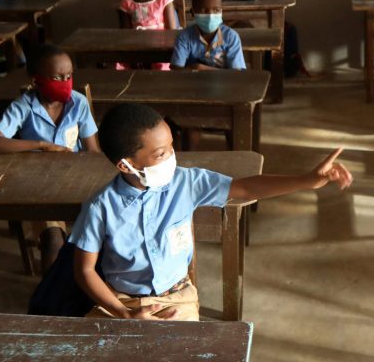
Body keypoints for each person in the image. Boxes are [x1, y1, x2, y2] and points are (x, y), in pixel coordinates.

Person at [70, 103, 353, 320]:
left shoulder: (185, 182)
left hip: (176, 299)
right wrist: (124, 313)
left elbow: (245, 189)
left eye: (170, 147)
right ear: (125, 165)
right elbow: (84, 270)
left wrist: (307, 181)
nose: (171, 157)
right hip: (120, 301)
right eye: (159, 154)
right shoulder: (100, 207)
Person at [0, 44, 99, 271]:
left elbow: (93, 152)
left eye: (68, 76)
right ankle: (51, 299)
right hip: (40, 186)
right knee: (53, 241)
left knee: (101, 233)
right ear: (35, 80)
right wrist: (42, 145)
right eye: (57, 77)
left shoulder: (78, 103)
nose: (65, 83)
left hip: (75, 180)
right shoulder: (24, 106)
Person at [118, 0, 179, 71]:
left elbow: (171, 31)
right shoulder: (127, 3)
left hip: (161, 49)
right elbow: (124, 34)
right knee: (122, 67)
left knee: (161, 68)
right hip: (135, 48)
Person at [170, 0, 246, 71]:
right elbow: (176, 69)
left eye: (216, 10)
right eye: (204, 10)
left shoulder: (231, 37)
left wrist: (201, 68)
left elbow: (237, 73)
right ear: (193, 12)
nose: (210, 15)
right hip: (192, 83)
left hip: (224, 83)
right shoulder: (184, 37)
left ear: (221, 11)